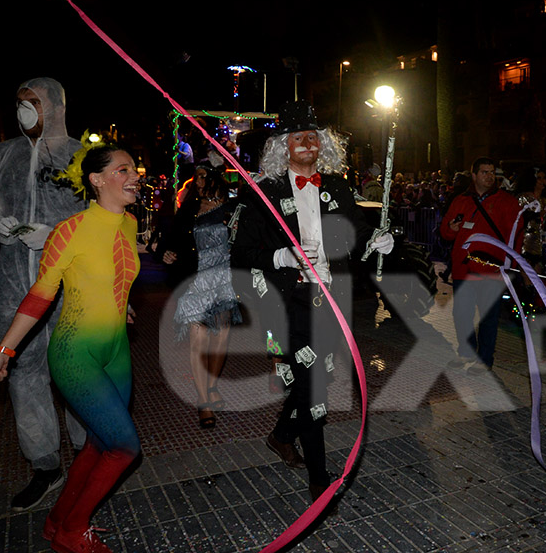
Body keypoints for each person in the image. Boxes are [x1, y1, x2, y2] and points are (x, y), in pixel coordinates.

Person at [230, 101, 392, 508]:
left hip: (331, 299)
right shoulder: (263, 192)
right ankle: (320, 482)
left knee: (316, 376)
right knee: (313, 385)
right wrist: (281, 258)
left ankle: (282, 435)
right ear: (283, 146)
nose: (307, 142)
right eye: (298, 136)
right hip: (285, 301)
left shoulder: (335, 186)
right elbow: (241, 256)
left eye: (313, 135)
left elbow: (354, 231)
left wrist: (376, 240)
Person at [0, 143, 141, 553]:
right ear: (97, 179)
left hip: (117, 350)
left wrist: (122, 307)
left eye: (134, 170)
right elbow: (40, 295)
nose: (134, 177)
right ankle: (73, 531)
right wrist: (4, 351)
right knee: (124, 448)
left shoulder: (129, 224)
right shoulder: (69, 230)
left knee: (98, 443)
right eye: (123, 170)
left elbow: (111, 274)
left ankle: (57, 522)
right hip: (76, 353)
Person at [0, 77, 87, 511]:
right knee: (24, 377)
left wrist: (59, 234)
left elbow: (104, 219)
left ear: (55, 107)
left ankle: (88, 456)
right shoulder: (3, 155)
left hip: (70, 284)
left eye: (34, 104)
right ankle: (45, 466)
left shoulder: (81, 156)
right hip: (13, 286)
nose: (26, 112)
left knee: (77, 372)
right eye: (20, 104)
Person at [164, 165, 241, 429]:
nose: (197, 181)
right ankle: (203, 400)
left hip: (224, 281)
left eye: (203, 176)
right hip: (195, 281)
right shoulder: (189, 207)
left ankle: (211, 386)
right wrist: (166, 252)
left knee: (220, 340)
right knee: (198, 341)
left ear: (215, 178)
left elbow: (250, 241)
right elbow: (170, 237)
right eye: (196, 176)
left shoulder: (233, 208)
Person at [440, 157, 522, 374]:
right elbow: (445, 232)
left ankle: (484, 359)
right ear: (474, 175)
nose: (489, 176)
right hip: (463, 269)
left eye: (492, 172)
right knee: (462, 314)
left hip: (491, 270)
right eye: (484, 172)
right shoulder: (461, 200)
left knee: (488, 317)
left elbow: (516, 237)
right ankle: (466, 352)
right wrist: (451, 228)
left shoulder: (507, 202)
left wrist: (511, 265)